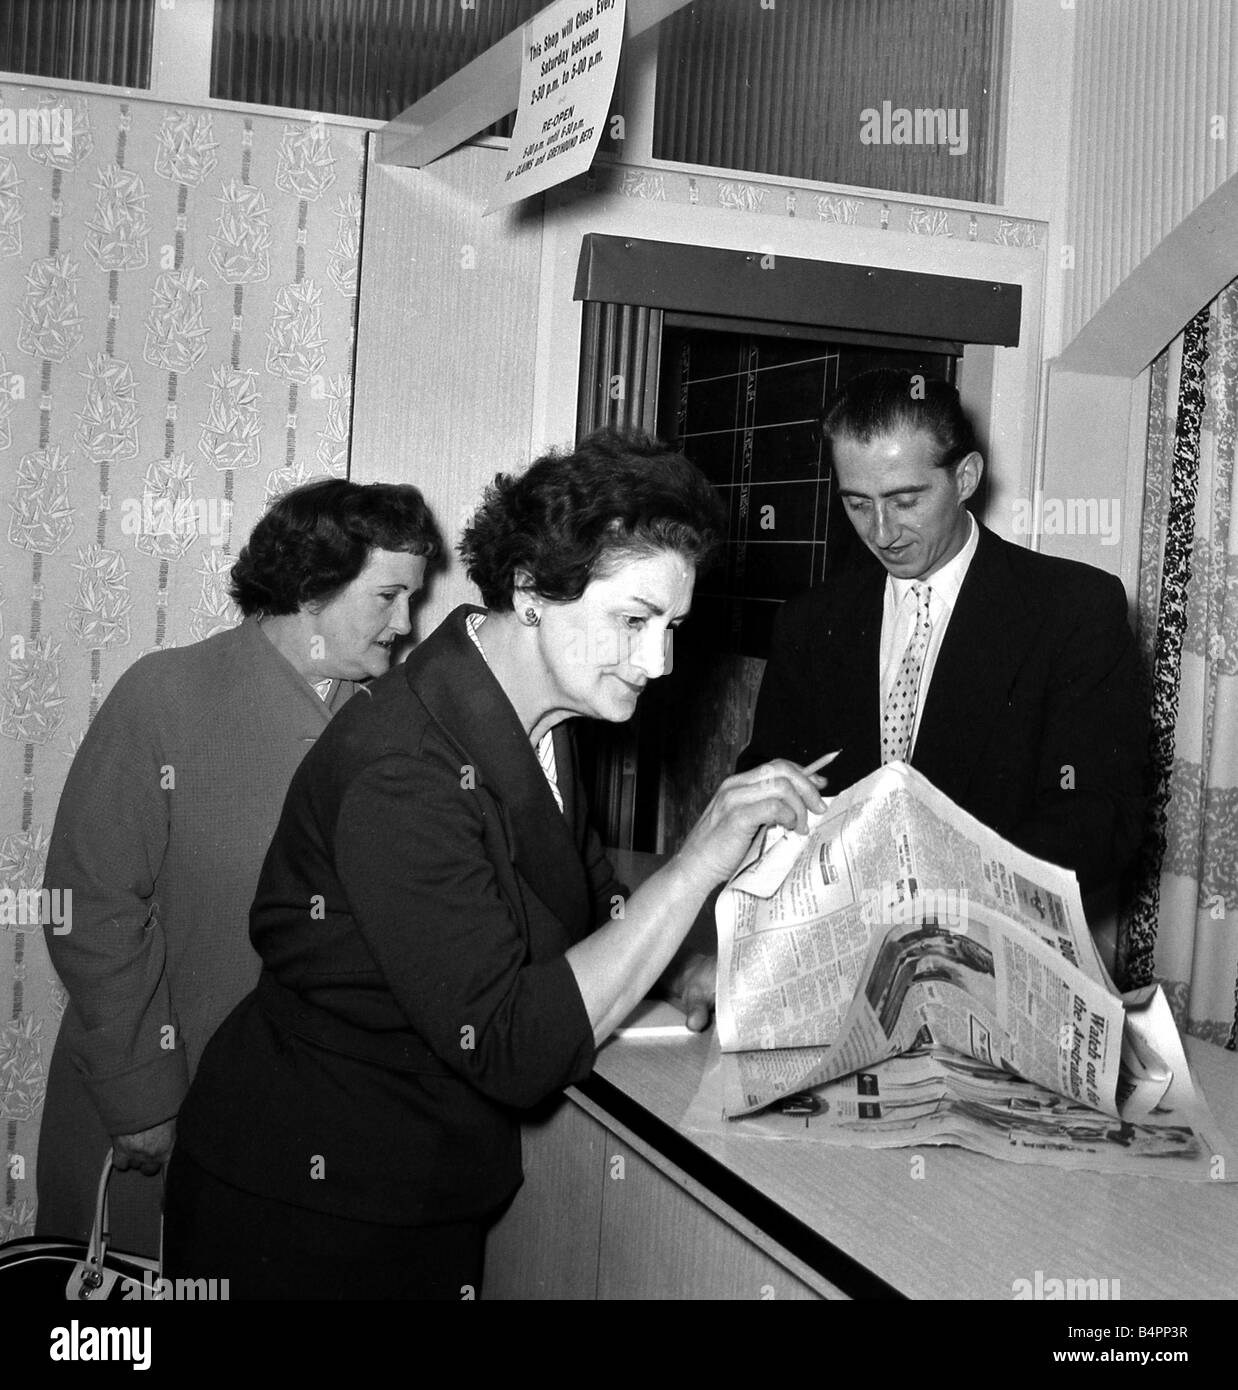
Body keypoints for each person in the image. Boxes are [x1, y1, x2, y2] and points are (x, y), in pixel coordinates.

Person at [161, 428, 828, 1299]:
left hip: (414, 1184)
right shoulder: (405, 764)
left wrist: (683, 968)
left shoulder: (537, 716)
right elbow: (511, 1043)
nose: (659, 661)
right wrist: (697, 864)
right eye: (633, 620)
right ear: (531, 592)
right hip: (310, 1205)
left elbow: (581, 906)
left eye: (672, 627)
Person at [36, 478, 442, 1258]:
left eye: (413, 599)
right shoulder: (166, 695)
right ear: (312, 587)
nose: (405, 624)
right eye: (387, 596)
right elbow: (87, 907)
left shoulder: (391, 721)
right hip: (163, 1112)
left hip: (308, 1131)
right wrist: (141, 1098)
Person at [739, 369, 1146, 902]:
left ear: (966, 478)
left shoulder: (1073, 608)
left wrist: (943, 893)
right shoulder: (811, 623)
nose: (881, 532)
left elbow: (1098, 819)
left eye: (905, 500)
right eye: (858, 503)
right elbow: (768, 780)